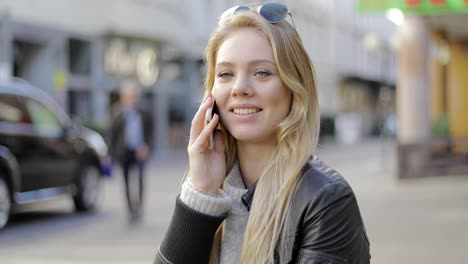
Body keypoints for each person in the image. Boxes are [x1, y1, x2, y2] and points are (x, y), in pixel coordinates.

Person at [154, 3, 370, 263]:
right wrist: (202, 192)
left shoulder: (325, 200)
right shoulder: (211, 189)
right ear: (210, 95)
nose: (240, 88)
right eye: (225, 74)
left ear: (295, 88)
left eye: (262, 72)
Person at [110, 80, 153, 222]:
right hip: (124, 151)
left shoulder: (145, 111)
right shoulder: (118, 112)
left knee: (140, 178)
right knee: (126, 181)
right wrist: (110, 154)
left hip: (139, 150)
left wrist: (147, 146)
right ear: (123, 96)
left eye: (134, 95)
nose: (132, 98)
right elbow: (113, 134)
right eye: (129, 95)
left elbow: (151, 132)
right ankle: (130, 210)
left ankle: (139, 207)